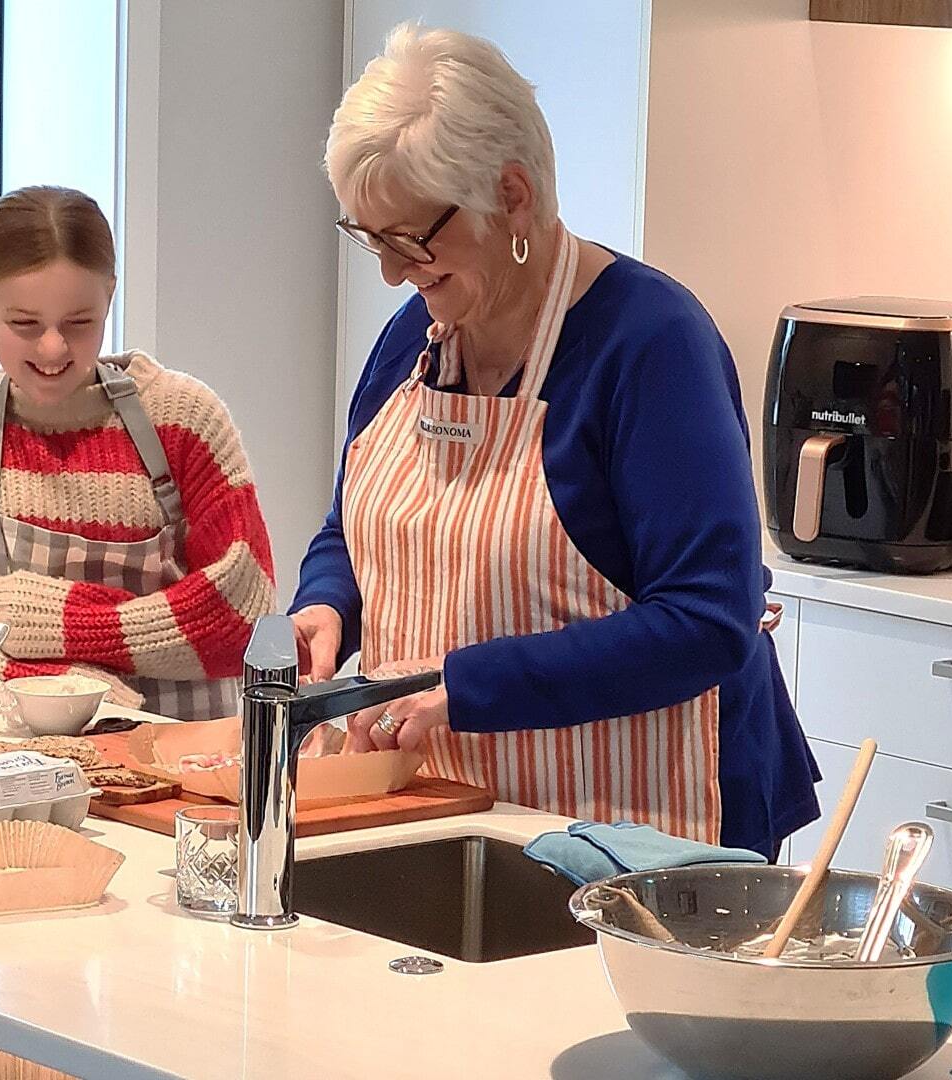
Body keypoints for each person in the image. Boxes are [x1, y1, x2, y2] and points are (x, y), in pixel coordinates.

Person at [290, 26, 818, 858]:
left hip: (645, 827)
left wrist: (465, 685)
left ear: (513, 195)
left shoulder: (651, 346)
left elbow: (707, 621)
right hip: (454, 805)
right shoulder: (414, 338)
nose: (392, 274)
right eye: (370, 238)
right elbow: (351, 524)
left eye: (409, 240)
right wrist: (327, 602)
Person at [0, 186, 275, 718]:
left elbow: (243, 614)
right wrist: (48, 683)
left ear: (109, 295)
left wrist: (55, 620)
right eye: (24, 324)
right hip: (11, 763)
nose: (52, 348)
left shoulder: (184, 419)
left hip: (182, 767)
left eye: (79, 323)